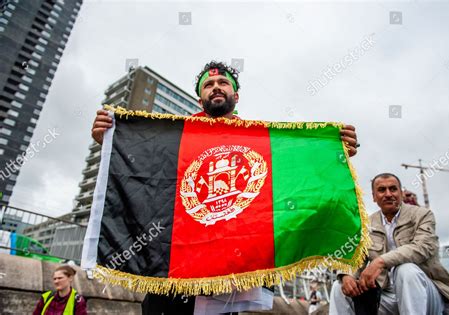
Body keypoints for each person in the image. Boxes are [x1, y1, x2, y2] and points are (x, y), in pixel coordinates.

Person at [91, 61, 360, 314]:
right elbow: (144, 173)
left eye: (223, 82)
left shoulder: (259, 141)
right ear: (199, 99)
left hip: (227, 270)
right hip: (176, 263)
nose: (216, 87)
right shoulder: (176, 137)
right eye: (208, 85)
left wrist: (333, 153)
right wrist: (112, 142)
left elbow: (297, 174)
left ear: (236, 95)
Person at [329, 173, 449, 315]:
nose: (388, 194)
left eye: (393, 189)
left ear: (401, 193)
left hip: (426, 293)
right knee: (338, 287)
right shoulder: (367, 225)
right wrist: (346, 275)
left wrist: (380, 262)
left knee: (405, 270)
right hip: (385, 296)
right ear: (373, 196)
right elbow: (356, 258)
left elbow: (422, 248)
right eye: (382, 190)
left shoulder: (422, 215)